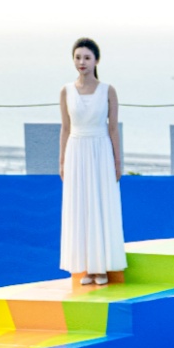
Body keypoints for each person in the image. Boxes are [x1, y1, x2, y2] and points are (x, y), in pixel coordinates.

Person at [58, 37, 126, 287]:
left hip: (100, 150)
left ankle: (102, 267)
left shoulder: (108, 90)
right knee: (81, 207)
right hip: (76, 151)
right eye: (78, 57)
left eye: (87, 57)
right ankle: (87, 266)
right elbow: (65, 128)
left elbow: (113, 128)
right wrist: (62, 161)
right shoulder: (66, 91)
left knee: (100, 204)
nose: (82, 62)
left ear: (96, 60)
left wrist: (117, 161)